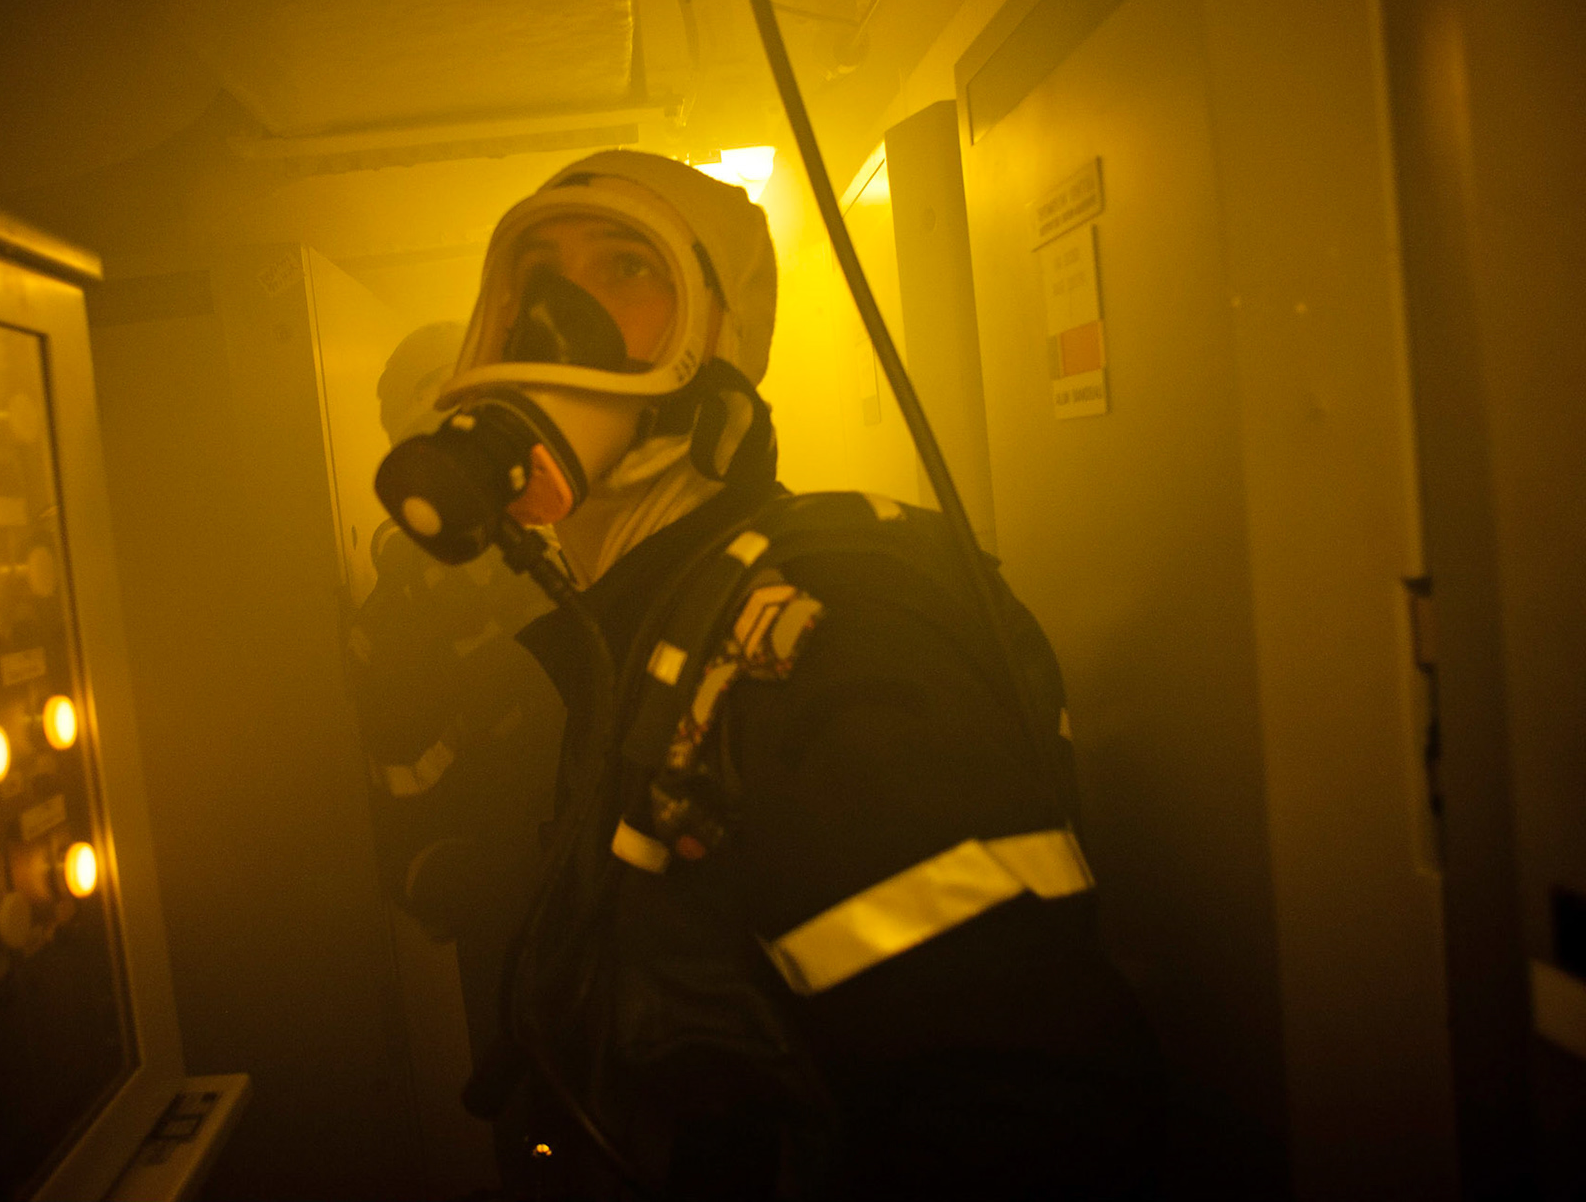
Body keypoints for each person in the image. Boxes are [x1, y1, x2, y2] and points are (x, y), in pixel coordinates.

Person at [380, 151, 1163, 1200]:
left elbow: (1013, 1112)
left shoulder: (834, 637)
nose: (556, 317)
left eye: (624, 268)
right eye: (537, 273)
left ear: (720, 341)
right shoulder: (643, 631)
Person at [344, 322, 567, 1192]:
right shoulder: (390, 624)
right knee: (544, 1150)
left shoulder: (571, 554)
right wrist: (481, 880)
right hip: (513, 936)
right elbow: (398, 819)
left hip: (631, 917)